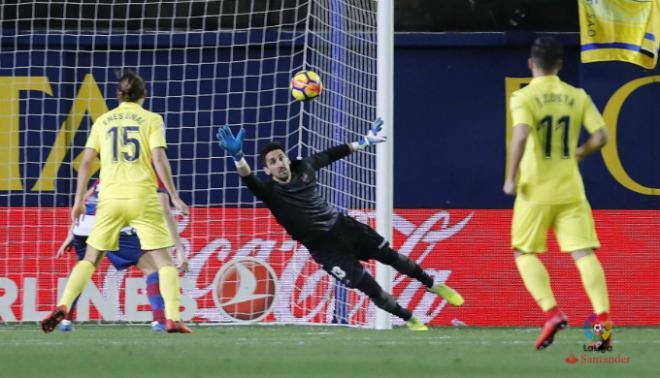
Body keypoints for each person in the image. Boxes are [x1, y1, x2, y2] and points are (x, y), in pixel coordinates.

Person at [216, 118, 464, 331]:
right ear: (268, 170)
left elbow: (332, 154)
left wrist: (363, 142)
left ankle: (433, 285)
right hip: (324, 248)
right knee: (370, 288)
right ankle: (410, 320)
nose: (279, 163)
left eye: (281, 158)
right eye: (272, 162)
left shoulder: (304, 167)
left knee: (392, 257)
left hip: (343, 226)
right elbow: (248, 178)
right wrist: (238, 156)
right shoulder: (269, 192)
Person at [41, 72, 191, 333]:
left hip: (108, 199)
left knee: (89, 259)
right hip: (142, 197)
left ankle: (64, 306)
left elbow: (86, 162)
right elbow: (158, 158)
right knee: (164, 262)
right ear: (144, 94)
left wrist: (77, 201)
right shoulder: (152, 119)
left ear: (118, 95)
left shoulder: (103, 120)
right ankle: (172, 317)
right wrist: (174, 195)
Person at [504, 37, 612, 350]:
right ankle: (601, 326)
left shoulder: (523, 97)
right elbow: (602, 136)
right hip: (570, 188)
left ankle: (552, 313)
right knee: (584, 254)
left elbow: (521, 135)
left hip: (535, 189)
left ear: (530, 64)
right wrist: (580, 152)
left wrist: (510, 178)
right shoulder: (577, 95)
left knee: (524, 252)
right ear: (561, 65)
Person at [55, 179, 189, 332]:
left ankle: (65, 319)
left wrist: (71, 233)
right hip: (114, 223)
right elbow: (164, 210)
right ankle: (160, 320)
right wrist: (179, 248)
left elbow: (85, 199)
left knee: (85, 265)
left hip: (85, 224)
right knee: (152, 269)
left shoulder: (107, 171)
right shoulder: (146, 172)